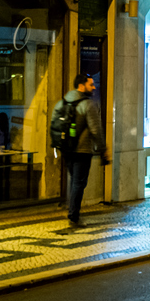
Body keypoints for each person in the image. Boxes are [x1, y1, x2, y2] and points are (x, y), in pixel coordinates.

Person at [57, 74, 108, 229]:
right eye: (91, 84)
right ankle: (74, 216)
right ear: (81, 86)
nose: (94, 87)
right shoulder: (88, 104)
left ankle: (72, 212)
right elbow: (95, 129)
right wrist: (102, 149)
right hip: (82, 150)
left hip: (67, 149)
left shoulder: (63, 102)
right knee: (79, 183)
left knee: (74, 181)